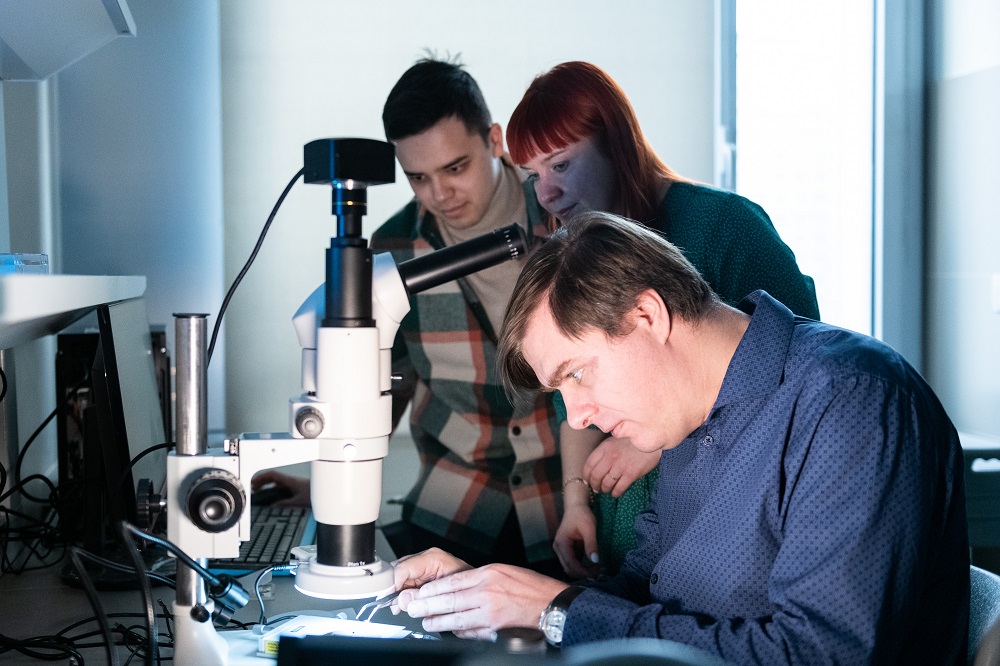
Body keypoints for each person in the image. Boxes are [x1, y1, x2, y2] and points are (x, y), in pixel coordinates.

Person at [391, 212, 969, 664]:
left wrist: (556, 611)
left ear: (647, 315)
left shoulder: (853, 401)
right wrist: (489, 596)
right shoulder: (688, 421)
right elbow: (646, 598)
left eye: (577, 374)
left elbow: (820, 656)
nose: (578, 418)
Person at [505, 61, 821, 577]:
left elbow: (791, 366)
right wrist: (577, 501)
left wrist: (647, 444)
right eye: (533, 175)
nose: (545, 194)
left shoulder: (725, 225)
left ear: (615, 143)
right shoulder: (568, 254)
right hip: (622, 530)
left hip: (720, 525)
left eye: (560, 165)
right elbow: (572, 400)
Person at [254, 58, 563, 577]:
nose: (439, 194)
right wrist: (327, 486)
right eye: (418, 177)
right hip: (454, 508)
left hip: (563, 506)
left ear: (494, 139)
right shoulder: (393, 250)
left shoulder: (563, 212)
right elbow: (385, 383)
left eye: (455, 168)